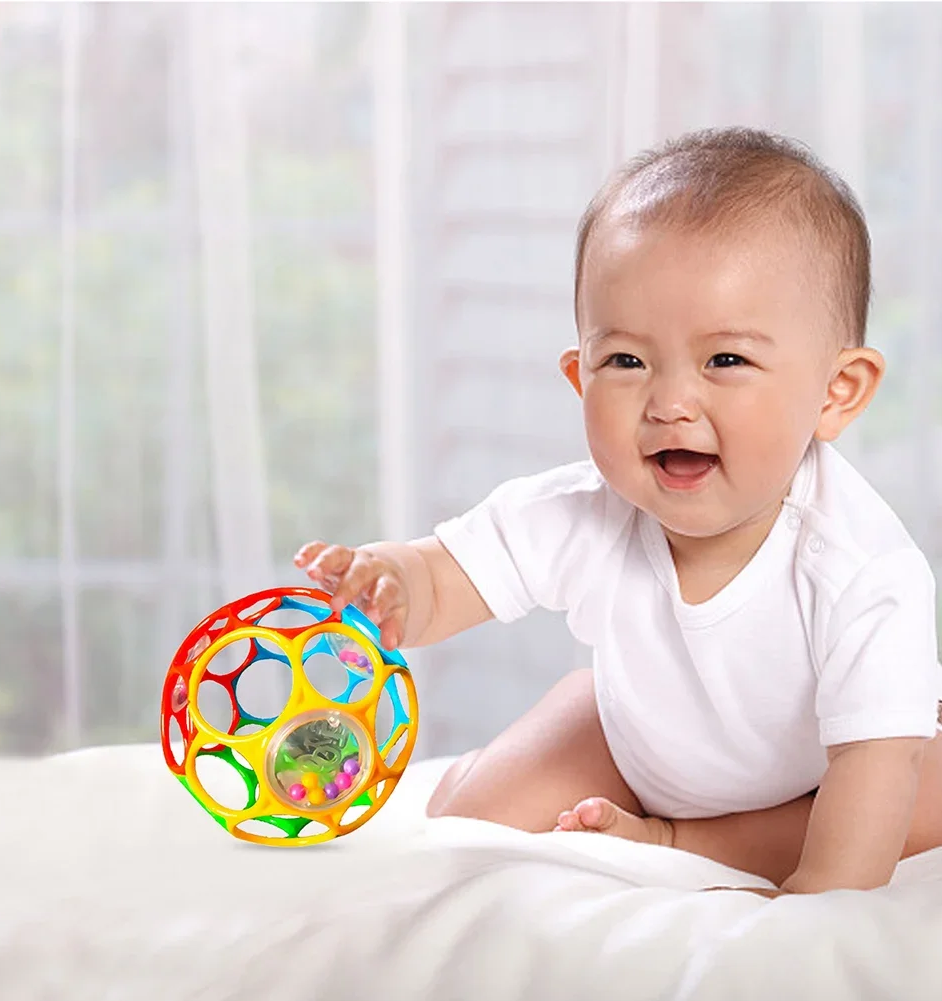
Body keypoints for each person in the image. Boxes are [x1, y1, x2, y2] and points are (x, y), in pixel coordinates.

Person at [294, 127, 942, 895]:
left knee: (895, 804)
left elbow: (868, 765)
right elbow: (449, 577)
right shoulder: (582, 512)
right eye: (626, 361)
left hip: (825, 762)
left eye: (724, 360)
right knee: (466, 825)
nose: (669, 402)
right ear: (579, 377)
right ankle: (639, 811)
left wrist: (815, 909)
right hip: (634, 737)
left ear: (836, 392)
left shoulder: (861, 569)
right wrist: (394, 581)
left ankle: (679, 838)